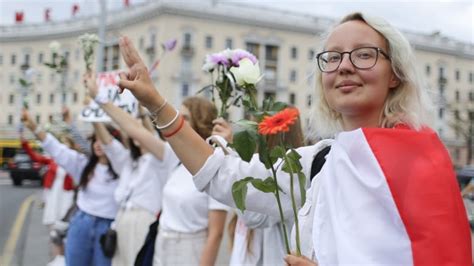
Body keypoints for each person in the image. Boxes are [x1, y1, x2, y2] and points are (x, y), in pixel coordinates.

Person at [115, 11, 470, 265]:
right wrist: (155, 103)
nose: (344, 66)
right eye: (332, 58)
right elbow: (224, 176)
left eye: (364, 55)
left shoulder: (422, 161)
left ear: (395, 74)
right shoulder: (318, 161)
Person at [84, 72, 229, 266]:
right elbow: (134, 129)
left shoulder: (218, 165)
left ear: (201, 123)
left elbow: (216, 234)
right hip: (162, 242)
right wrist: (99, 98)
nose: (178, 122)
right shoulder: (174, 157)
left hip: (191, 249)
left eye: (184, 118)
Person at [22, 109, 121, 266]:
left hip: (108, 228)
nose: (98, 144)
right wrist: (34, 127)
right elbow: (56, 148)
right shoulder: (83, 164)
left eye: (103, 140)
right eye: (95, 140)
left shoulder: (125, 169)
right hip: (81, 224)